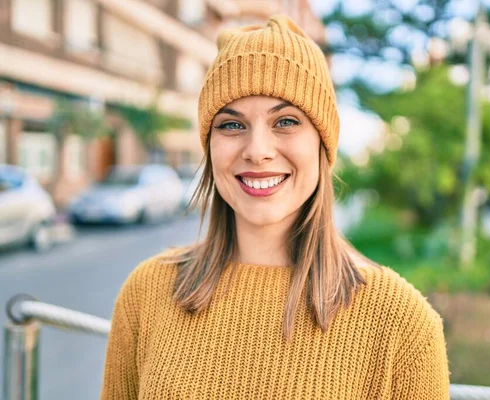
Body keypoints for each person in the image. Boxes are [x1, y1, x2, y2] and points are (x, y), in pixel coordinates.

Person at [100, 14, 450, 399]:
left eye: (285, 121)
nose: (258, 151)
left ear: (323, 144)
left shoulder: (402, 325)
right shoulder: (147, 292)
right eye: (232, 125)